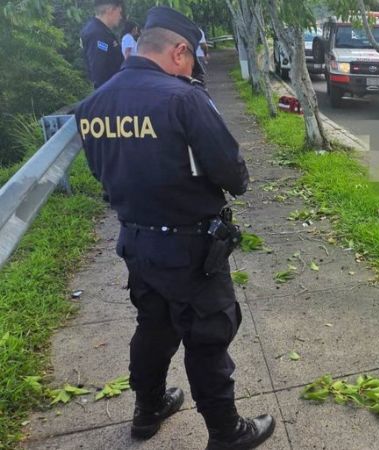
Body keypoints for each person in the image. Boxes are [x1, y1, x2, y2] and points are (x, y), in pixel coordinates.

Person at [74, 6, 274, 450]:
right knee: (207, 337)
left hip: (136, 241)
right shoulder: (183, 99)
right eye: (192, 60)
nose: (192, 70)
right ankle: (226, 432)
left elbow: (101, 173)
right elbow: (233, 175)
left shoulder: (93, 105)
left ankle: (147, 411)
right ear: (179, 51)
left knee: (153, 327)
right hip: (191, 249)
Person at [80, 0, 125, 89]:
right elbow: (99, 73)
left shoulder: (101, 31)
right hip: (109, 91)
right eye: (119, 12)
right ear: (110, 10)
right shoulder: (97, 34)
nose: (120, 17)